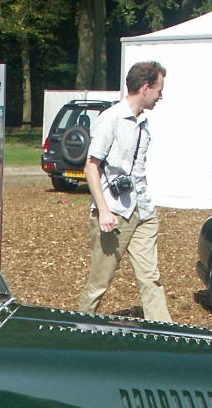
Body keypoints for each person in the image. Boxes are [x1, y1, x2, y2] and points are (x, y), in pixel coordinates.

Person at [77, 60, 172, 323]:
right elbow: (91, 167)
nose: (161, 95)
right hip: (115, 214)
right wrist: (104, 211)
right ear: (145, 88)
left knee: (151, 278)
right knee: (99, 282)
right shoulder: (111, 120)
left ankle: (165, 335)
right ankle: (78, 329)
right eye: (159, 89)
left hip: (143, 210)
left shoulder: (143, 122)